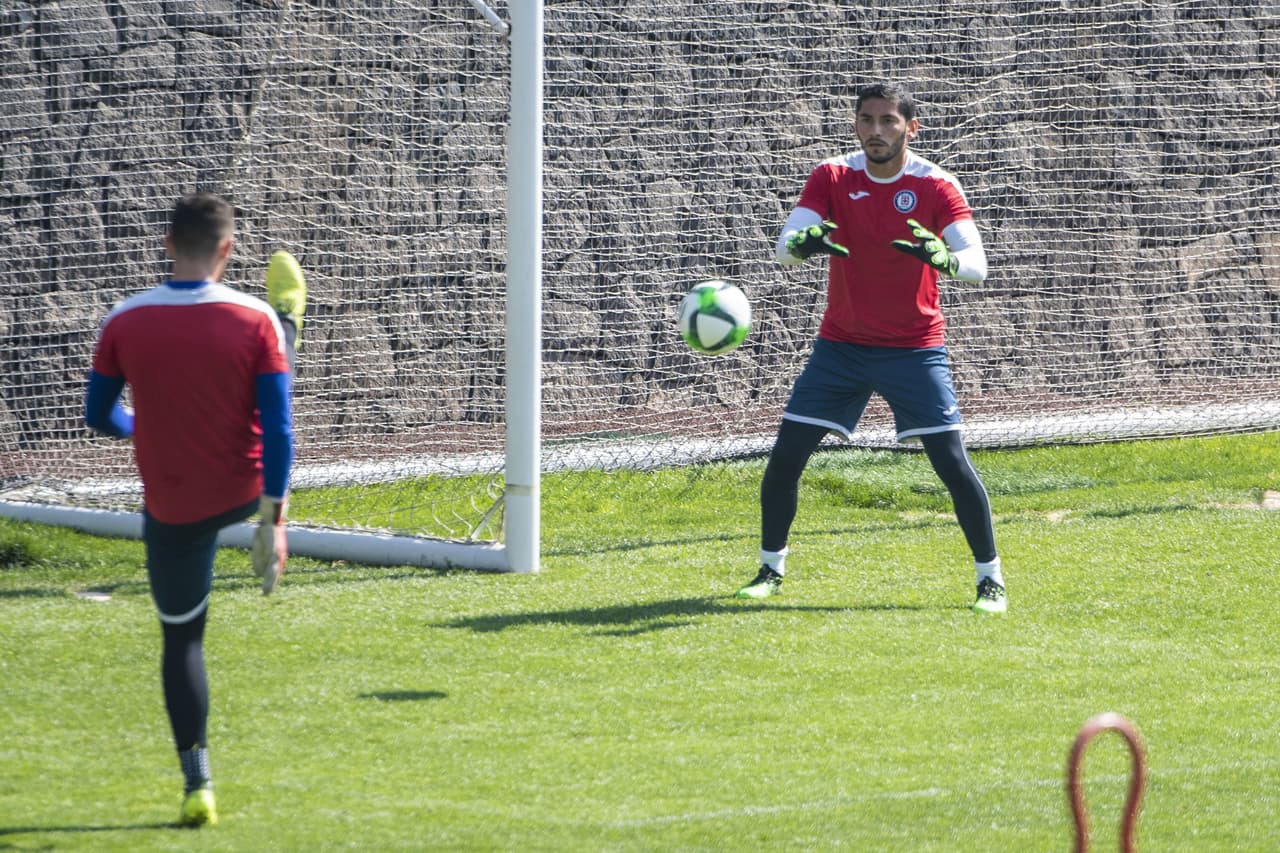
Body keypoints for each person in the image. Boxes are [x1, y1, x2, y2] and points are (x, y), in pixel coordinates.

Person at [735, 83, 1005, 614]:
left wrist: (945, 260)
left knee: (950, 463)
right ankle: (770, 569)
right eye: (866, 120)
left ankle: (990, 581)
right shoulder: (832, 175)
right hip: (842, 347)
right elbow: (784, 249)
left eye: (888, 121)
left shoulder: (936, 184)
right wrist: (803, 243)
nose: (876, 130)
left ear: (911, 127)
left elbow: (977, 264)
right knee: (786, 458)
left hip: (914, 349)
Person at [83, 192, 308, 826]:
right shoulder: (250, 316)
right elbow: (281, 428)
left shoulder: (123, 321)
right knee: (277, 345)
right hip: (244, 487)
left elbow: (98, 416)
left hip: (176, 504)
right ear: (229, 251)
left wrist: (145, 427)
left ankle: (197, 784)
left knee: (183, 639)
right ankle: (295, 317)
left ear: (166, 244)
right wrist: (275, 518)